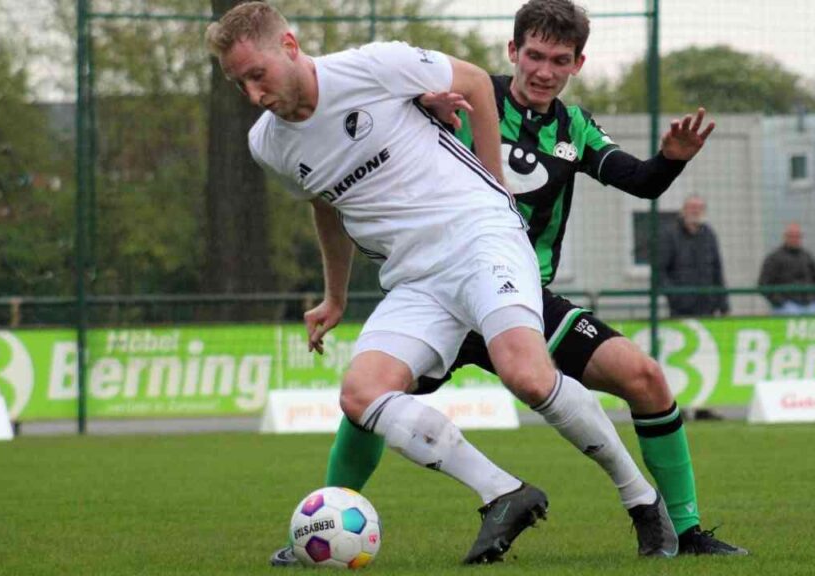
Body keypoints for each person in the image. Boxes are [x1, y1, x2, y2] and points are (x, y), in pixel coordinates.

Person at [270, 0, 747, 566]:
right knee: (368, 404)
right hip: (443, 285)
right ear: (513, 52)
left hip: (522, 297)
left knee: (644, 378)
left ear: (578, 64)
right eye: (535, 56)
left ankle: (684, 530)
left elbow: (640, 183)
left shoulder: (577, 127)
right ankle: (326, 523)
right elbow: (365, 147)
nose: (544, 70)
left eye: (560, 60)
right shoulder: (465, 95)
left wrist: (670, 161)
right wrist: (426, 104)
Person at [659, 194, 729, 317]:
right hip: (680, 309)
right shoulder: (669, 235)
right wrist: (675, 296)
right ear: (683, 210)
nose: (696, 211)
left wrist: (723, 305)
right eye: (692, 207)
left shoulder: (709, 234)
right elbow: (660, 270)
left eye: (700, 208)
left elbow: (717, 270)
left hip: (708, 306)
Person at [758, 222, 815, 315]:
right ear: (785, 237)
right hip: (786, 307)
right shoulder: (774, 258)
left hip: (809, 305)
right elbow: (763, 284)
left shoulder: (808, 257)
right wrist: (779, 303)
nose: (795, 239)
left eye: (797, 236)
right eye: (792, 236)